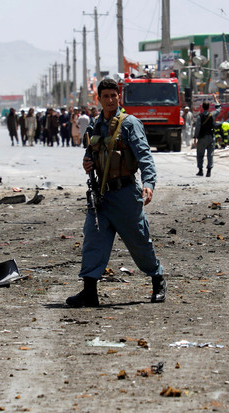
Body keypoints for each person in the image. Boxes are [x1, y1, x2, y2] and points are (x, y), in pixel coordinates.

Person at [66, 78, 166, 308]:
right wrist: (87, 163)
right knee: (93, 240)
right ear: (99, 99)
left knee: (139, 241)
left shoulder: (130, 124)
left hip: (125, 195)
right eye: (106, 96)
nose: (110, 100)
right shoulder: (95, 125)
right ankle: (89, 291)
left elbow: (145, 157)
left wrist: (148, 183)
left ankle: (158, 280)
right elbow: (90, 153)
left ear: (118, 97)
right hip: (101, 194)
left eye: (114, 95)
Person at [193, 98, 222, 177]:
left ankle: (200, 170)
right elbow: (219, 109)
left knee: (200, 154)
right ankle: (209, 171)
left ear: (202, 107)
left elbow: (197, 127)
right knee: (210, 154)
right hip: (211, 137)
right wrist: (216, 99)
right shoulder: (212, 114)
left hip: (202, 138)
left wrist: (195, 137)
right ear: (209, 107)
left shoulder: (200, 116)